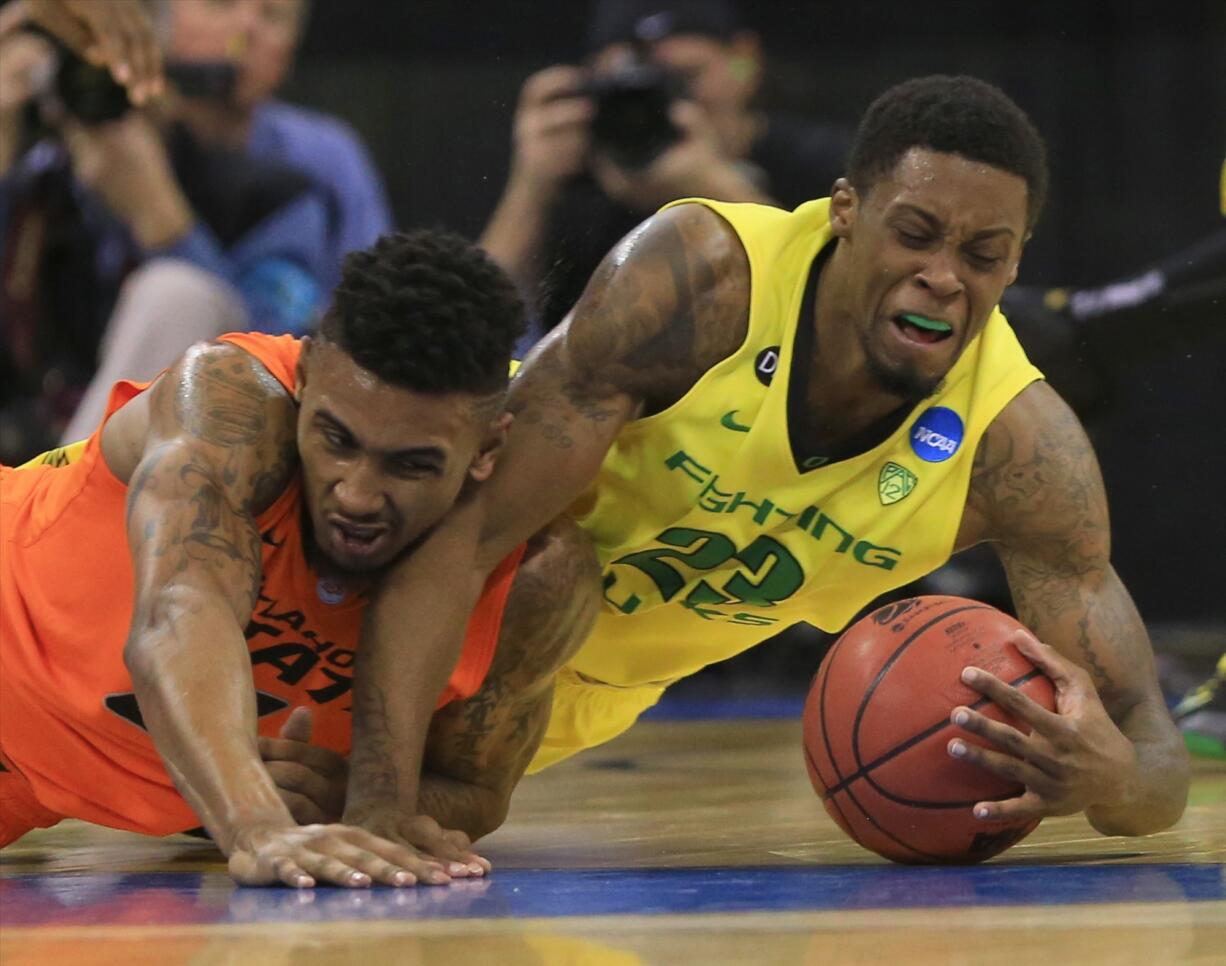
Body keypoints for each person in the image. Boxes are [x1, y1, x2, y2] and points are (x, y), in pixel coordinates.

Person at [338, 75, 1189, 846]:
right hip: (393, 581)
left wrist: (1107, 773)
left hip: (571, 697)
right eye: (916, 234)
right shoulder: (703, 280)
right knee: (548, 570)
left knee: (307, 831)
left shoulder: (1019, 449)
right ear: (847, 210)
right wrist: (376, 793)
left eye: (982, 254)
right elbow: (471, 536)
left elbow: (1155, 756)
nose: (942, 276)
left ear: (1017, 258)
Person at [0, 229, 601, 888]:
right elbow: (180, 608)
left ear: (488, 448)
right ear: (308, 378)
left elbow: (474, 789)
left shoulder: (536, 578)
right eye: (337, 439)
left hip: (36, 789)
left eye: (411, 464)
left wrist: (355, 794)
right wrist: (258, 828)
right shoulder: (232, 403)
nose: (358, 493)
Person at [0, 0, 393, 456]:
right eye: (220, 3)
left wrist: (162, 220)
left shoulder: (283, 189)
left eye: (271, 16)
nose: (245, 27)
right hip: (38, 441)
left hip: (216, 450)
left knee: (176, 293)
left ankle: (55, 511)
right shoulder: (45, 175)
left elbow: (283, 358)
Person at [480, 0, 849, 342]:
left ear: (744, 59)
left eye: (684, 79)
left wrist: (718, 189)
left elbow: (843, 314)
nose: (662, 107)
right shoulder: (573, 178)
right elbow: (476, 327)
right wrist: (529, 190)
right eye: (634, 86)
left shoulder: (823, 164)